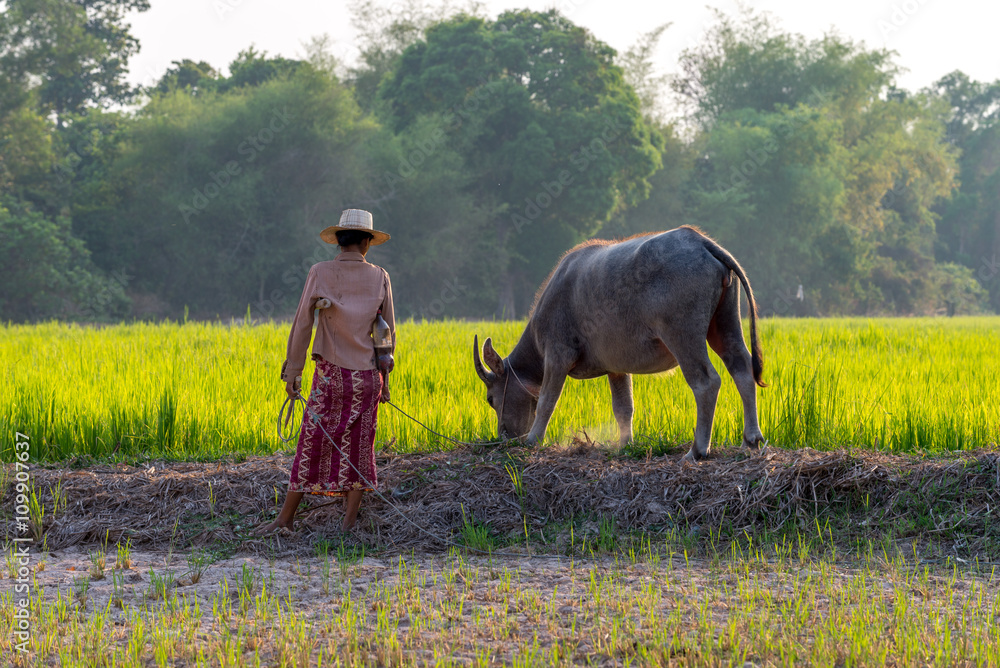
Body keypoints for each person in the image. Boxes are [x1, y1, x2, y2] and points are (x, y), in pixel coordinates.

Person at [254, 209, 395, 535]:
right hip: (366, 378)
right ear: (366, 242)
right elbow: (386, 335)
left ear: (339, 241)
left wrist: (293, 372)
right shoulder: (380, 276)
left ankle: (285, 519)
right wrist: (385, 382)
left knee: (312, 444)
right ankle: (347, 525)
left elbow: (303, 324)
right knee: (361, 447)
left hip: (331, 376)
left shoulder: (319, 272)